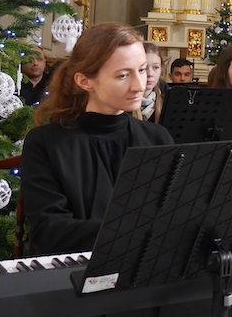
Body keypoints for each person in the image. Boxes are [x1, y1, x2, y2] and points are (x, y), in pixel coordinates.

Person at [20, 23, 174, 255]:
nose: (139, 85)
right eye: (123, 75)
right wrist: (135, 234)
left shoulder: (157, 138)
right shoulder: (46, 143)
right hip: (77, 268)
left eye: (142, 70)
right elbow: (50, 230)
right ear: (85, 81)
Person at [135, 42, 165, 123]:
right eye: (144, 68)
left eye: (155, 67)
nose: (150, 74)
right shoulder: (122, 102)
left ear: (161, 69)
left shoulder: (167, 99)